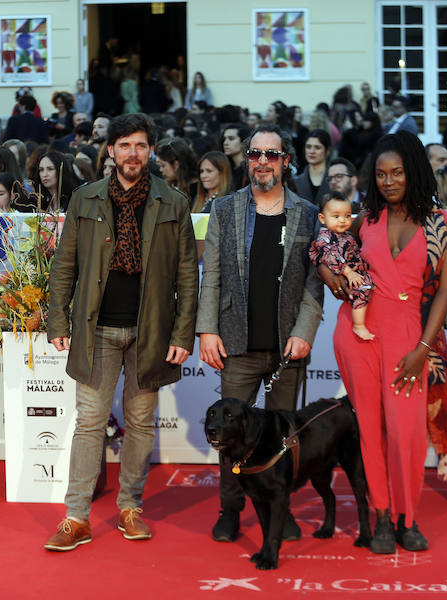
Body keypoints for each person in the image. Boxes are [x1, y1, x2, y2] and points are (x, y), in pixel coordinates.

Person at [44, 113, 199, 551]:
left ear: (150, 151)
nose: (133, 153)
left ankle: (131, 507)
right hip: (96, 330)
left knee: (140, 423)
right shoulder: (85, 199)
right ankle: (76, 517)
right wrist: (58, 319)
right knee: (89, 423)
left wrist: (182, 334)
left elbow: (189, 276)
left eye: (140, 146)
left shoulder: (173, 202)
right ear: (110, 150)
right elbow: (64, 266)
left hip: (150, 331)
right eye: (125, 145)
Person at [325, 131, 447, 553]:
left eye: (397, 172)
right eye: (381, 174)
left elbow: (444, 291)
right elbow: (326, 256)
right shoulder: (363, 219)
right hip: (359, 333)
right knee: (370, 429)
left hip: (409, 338)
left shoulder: (441, 223)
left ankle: (408, 517)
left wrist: (423, 349)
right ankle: (381, 516)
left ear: (414, 172)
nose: (388, 181)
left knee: (407, 432)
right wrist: (333, 281)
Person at [197, 123, 323, 544]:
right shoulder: (225, 209)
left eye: (271, 154)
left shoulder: (307, 213)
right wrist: (207, 330)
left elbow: (313, 282)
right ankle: (230, 511)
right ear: (246, 160)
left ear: (286, 161)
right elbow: (211, 273)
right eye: (255, 154)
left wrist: (305, 331)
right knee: (231, 438)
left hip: (288, 347)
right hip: (236, 341)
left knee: (284, 441)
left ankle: (278, 512)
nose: (263, 162)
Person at [309, 190, 374, 340]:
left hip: (354, 271)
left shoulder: (348, 236)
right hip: (343, 275)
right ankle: (359, 325)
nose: (343, 220)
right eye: (336, 216)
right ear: (322, 218)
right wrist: (349, 272)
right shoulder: (324, 238)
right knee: (361, 289)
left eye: (347, 215)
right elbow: (331, 257)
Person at [293, 129, 332, 203]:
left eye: (317, 147)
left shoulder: (334, 182)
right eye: (308, 147)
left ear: (328, 151)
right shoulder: (295, 182)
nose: (312, 151)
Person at [219, 123, 251, 192]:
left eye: (231, 138)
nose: (225, 143)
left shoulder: (249, 170)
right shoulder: (226, 169)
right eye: (224, 139)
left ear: (243, 142)